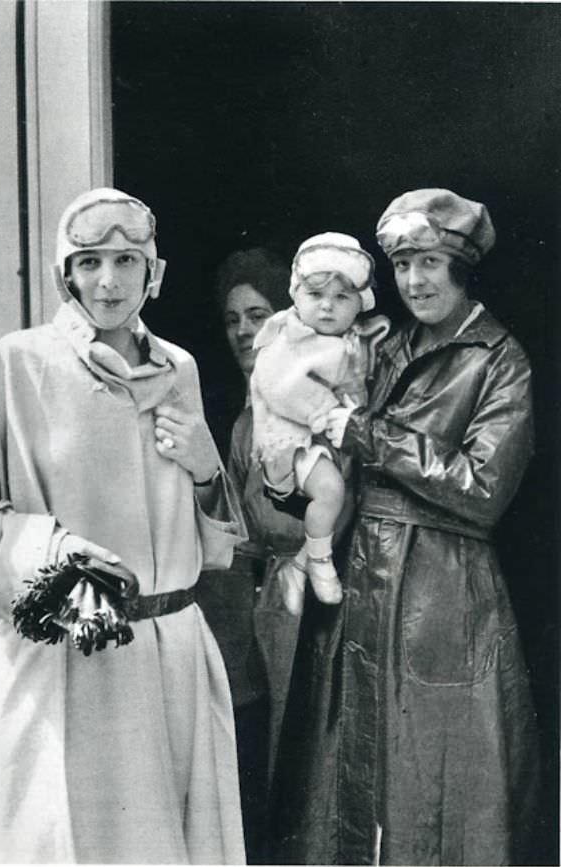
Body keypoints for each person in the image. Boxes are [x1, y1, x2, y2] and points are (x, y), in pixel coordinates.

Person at [0, 187, 248, 864]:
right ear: (64, 271)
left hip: (173, 657)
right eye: (90, 260)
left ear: (152, 272)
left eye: (126, 260)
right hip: (71, 660)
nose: (108, 280)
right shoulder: (20, 364)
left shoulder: (180, 369)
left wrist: (206, 470)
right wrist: (54, 555)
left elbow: (217, 545)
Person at [272, 189, 540, 865]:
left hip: (442, 592)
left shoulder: (498, 359)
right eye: (402, 265)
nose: (415, 281)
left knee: (434, 783)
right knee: (342, 785)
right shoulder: (381, 345)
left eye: (429, 262)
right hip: (359, 574)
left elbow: (483, 488)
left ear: (461, 265)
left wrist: (369, 435)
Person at [196, 248, 306, 863]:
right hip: (249, 618)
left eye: (258, 313)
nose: (243, 329)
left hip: (306, 607)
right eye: (233, 317)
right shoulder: (230, 415)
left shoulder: (311, 402)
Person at [250, 233, 389, 615]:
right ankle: (321, 564)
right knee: (329, 492)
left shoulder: (348, 341)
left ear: (360, 304)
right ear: (296, 296)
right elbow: (279, 387)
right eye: (316, 295)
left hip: (325, 440)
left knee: (347, 503)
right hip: (291, 440)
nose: (327, 307)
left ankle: (300, 566)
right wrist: (327, 413)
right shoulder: (288, 338)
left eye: (342, 297)